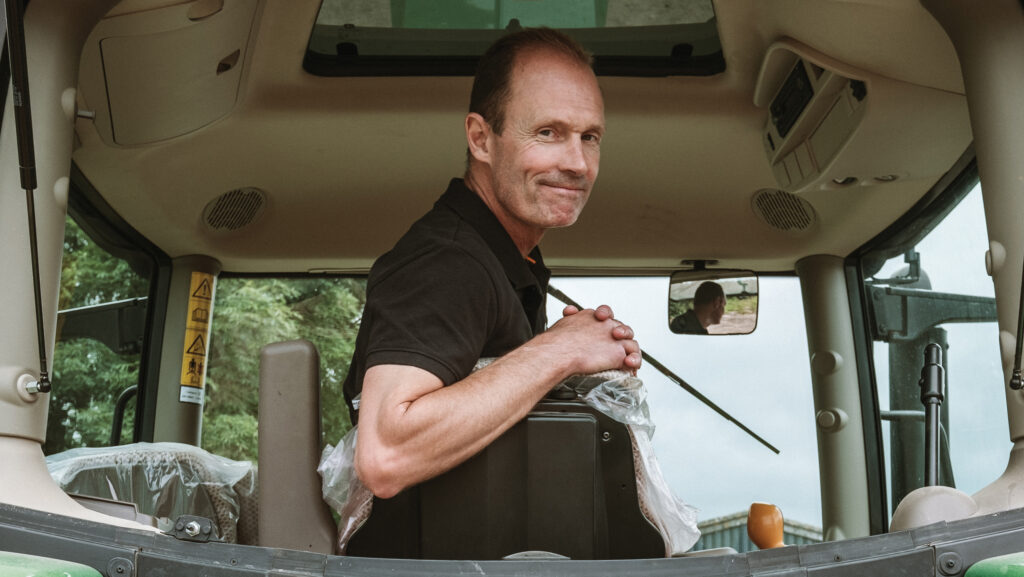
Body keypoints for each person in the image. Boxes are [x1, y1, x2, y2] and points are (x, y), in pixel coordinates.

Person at [342, 28, 642, 500]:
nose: (579, 163)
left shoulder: (506, 258)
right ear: (481, 139)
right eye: (548, 132)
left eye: (590, 137)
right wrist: (559, 351)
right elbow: (385, 454)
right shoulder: (447, 262)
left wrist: (566, 369)